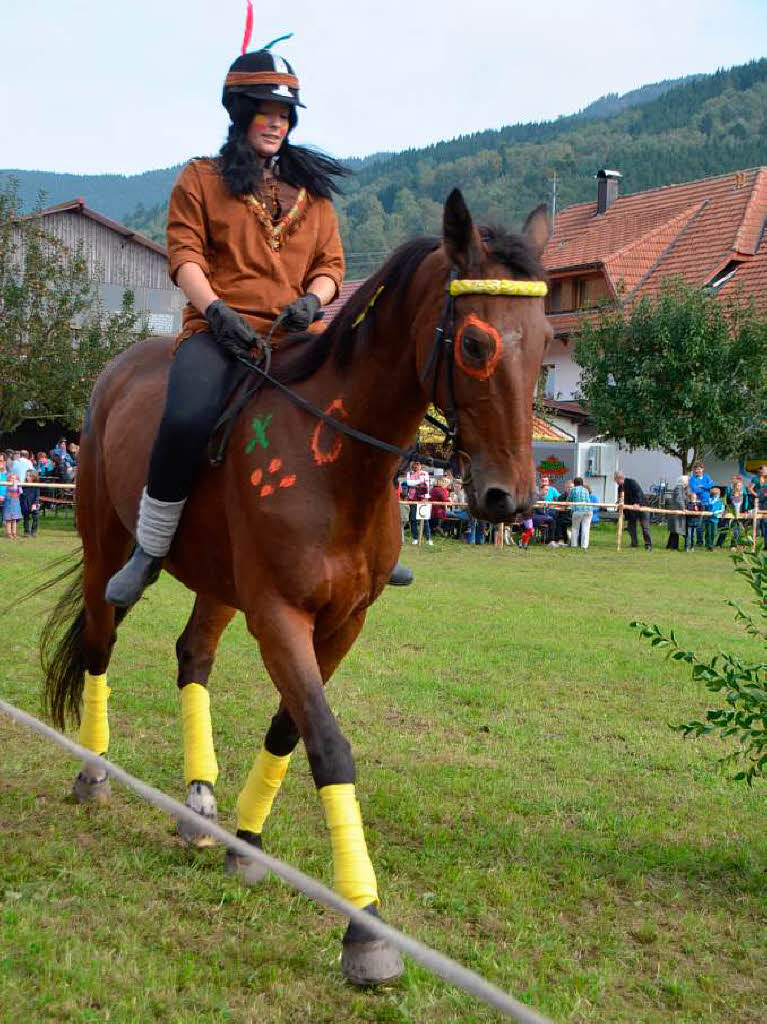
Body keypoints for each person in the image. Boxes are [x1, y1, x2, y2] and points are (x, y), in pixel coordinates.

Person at [106, 48, 367, 604]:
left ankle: (371, 543)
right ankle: (150, 548)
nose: (277, 121)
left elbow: (331, 268)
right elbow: (185, 256)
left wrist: (313, 303)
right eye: (265, 110)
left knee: (361, 405)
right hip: (218, 333)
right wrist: (216, 310)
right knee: (183, 417)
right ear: (240, 111)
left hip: (295, 336)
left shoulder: (315, 197)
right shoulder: (200, 179)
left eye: (285, 113)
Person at [615, 471, 651, 550]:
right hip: (631, 510)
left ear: (619, 478)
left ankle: (648, 545)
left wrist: (637, 503)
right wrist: (619, 506)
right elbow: (621, 498)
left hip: (642, 506)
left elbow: (638, 493)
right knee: (631, 527)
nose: (616, 482)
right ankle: (634, 543)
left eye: (616, 480)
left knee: (645, 527)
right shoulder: (619, 488)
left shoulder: (631, 482)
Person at [688, 462, 715, 546]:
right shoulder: (692, 479)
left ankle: (708, 542)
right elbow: (695, 490)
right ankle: (699, 541)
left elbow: (712, 485)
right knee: (699, 523)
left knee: (707, 523)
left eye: (699, 469)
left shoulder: (707, 476)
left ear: (702, 469)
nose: (697, 471)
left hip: (707, 503)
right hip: (699, 503)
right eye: (696, 469)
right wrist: (705, 487)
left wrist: (702, 486)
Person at [405, 462, 431, 545]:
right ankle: (415, 538)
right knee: (413, 519)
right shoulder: (409, 473)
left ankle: (428, 539)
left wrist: (415, 482)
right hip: (412, 498)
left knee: (424, 518)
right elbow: (409, 483)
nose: (416, 466)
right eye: (415, 465)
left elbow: (426, 484)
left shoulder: (425, 473)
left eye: (418, 464)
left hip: (423, 498)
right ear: (412, 465)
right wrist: (420, 481)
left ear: (420, 465)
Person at [569, 477, 593, 550]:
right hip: (588, 510)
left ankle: (574, 545)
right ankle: (584, 546)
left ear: (574, 483)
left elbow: (569, 499)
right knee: (586, 528)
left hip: (578, 510)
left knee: (575, 528)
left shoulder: (573, 490)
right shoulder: (586, 490)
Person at [666, 475, 688, 550]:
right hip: (676, 511)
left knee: (674, 530)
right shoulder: (679, 488)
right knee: (676, 529)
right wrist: (683, 508)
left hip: (676, 511)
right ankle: (674, 546)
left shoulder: (682, 488)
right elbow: (679, 499)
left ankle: (670, 546)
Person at [21, 469, 40, 538]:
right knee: (26, 518)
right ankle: (26, 532)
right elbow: (22, 495)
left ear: (34, 477)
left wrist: (35, 504)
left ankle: (34, 531)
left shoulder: (36, 486)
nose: (27, 477)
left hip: (34, 504)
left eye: (29, 476)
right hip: (25, 504)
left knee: (35, 518)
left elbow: (37, 496)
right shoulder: (24, 485)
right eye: (27, 476)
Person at [3, 471, 22, 540]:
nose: (13, 480)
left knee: (14, 520)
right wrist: (15, 484)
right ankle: (9, 533)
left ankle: (14, 533)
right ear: (8, 479)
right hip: (9, 505)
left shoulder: (17, 486)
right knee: (8, 520)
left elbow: (20, 492)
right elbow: (12, 489)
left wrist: (19, 486)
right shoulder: (8, 487)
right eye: (12, 478)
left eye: (15, 478)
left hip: (15, 505)